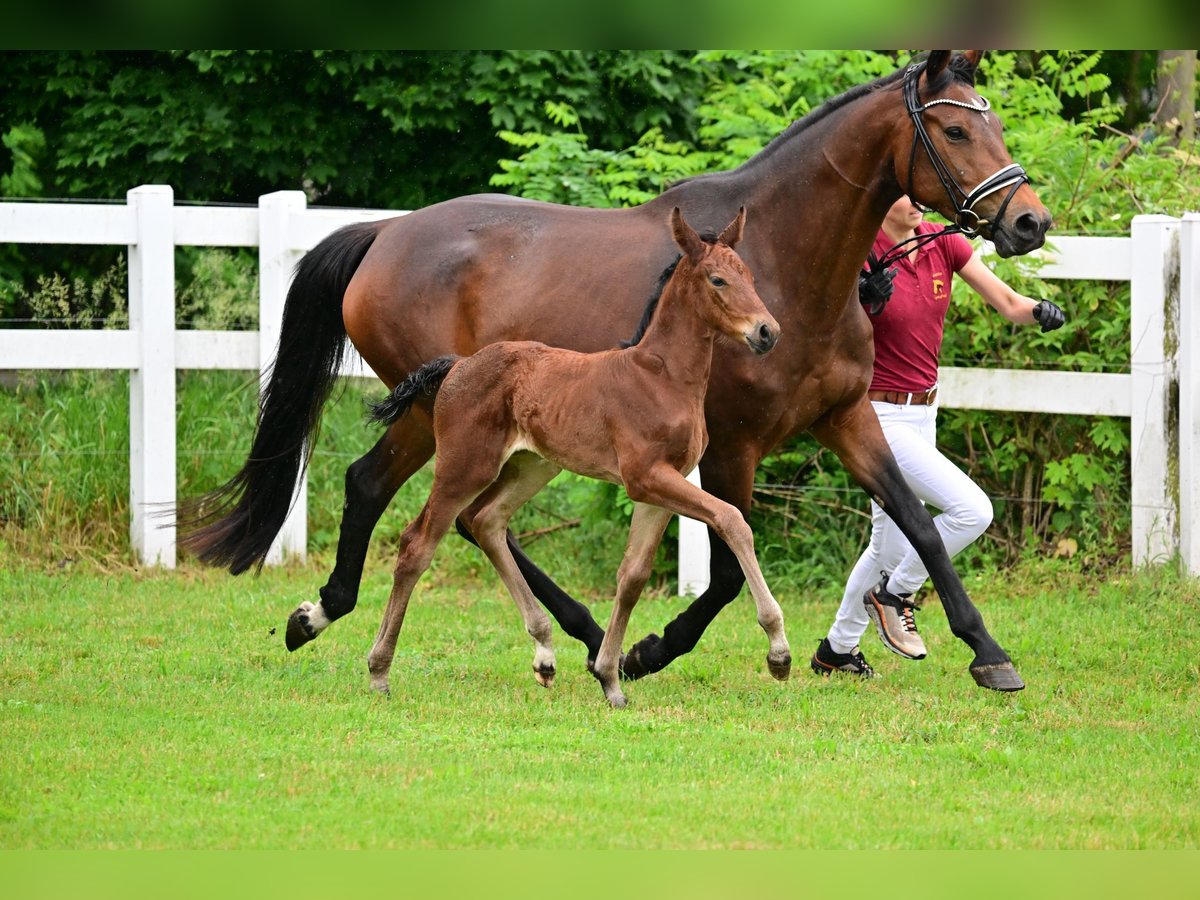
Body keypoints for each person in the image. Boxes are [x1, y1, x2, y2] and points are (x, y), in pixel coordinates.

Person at [811, 195, 1066, 677]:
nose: (919, 203)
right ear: (884, 198)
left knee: (885, 547)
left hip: (924, 413)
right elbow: (824, 330)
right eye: (908, 196)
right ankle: (893, 594)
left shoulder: (941, 241)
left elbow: (1009, 303)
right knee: (972, 511)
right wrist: (861, 302)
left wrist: (1040, 312)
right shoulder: (859, 251)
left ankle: (837, 650)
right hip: (875, 417)